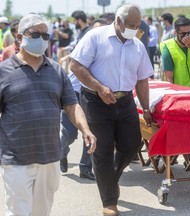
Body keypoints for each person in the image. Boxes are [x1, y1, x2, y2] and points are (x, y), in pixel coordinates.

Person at [0, 13, 96, 216]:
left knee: (41, 212)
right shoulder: (4, 72)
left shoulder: (56, 71)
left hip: (49, 156)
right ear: (20, 37)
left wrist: (85, 129)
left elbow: (71, 105)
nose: (42, 40)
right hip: (16, 157)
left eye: (46, 36)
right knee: (18, 211)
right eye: (36, 34)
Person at [69, 4, 153, 216]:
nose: (135, 29)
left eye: (137, 25)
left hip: (125, 102)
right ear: (117, 21)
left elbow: (142, 79)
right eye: (130, 25)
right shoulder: (95, 37)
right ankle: (109, 202)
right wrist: (99, 87)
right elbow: (76, 66)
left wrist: (146, 107)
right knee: (102, 151)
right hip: (96, 102)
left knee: (132, 145)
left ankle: (110, 177)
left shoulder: (137, 45)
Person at [160, 17, 190, 171]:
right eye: (183, 34)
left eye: (189, 32)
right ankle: (183, 157)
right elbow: (169, 77)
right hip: (178, 95)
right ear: (175, 32)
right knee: (180, 129)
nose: (186, 36)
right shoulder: (167, 46)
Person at [59, 10, 95, 181]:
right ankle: (61, 152)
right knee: (68, 133)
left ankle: (85, 167)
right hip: (72, 91)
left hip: (92, 94)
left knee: (90, 131)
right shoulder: (85, 36)